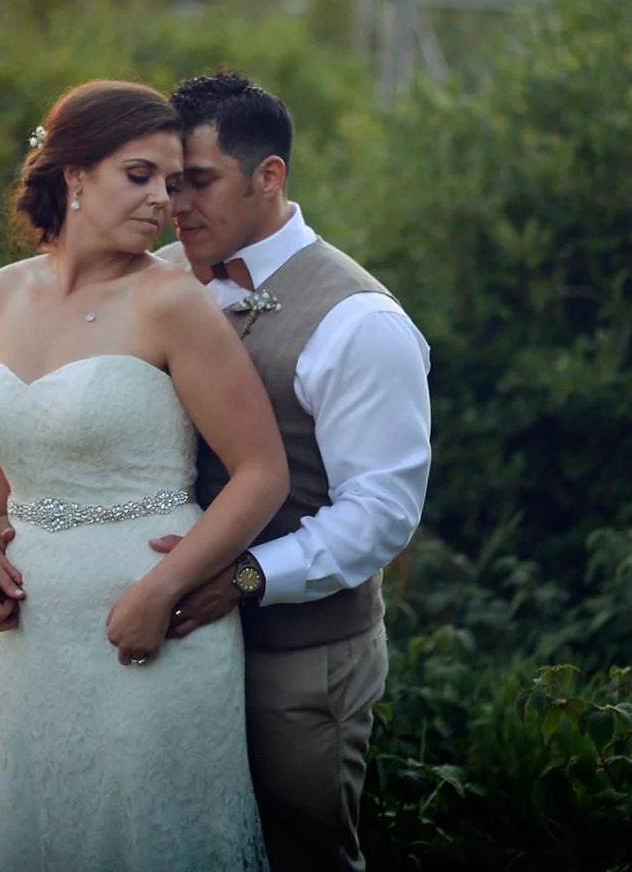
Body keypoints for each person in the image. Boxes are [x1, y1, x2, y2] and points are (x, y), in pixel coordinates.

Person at [0, 79, 288, 871]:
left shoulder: (174, 304)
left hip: (152, 629)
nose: (164, 204)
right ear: (73, 175)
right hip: (39, 639)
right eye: (140, 176)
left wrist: (160, 590)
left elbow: (260, 472)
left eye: (172, 184)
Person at [156, 71, 432, 872]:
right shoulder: (165, 279)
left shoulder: (360, 321)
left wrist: (241, 578)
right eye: (169, 183)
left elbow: (380, 512)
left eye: (198, 182)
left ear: (268, 175)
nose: (177, 206)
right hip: (171, 652)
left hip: (300, 661)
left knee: (299, 855)